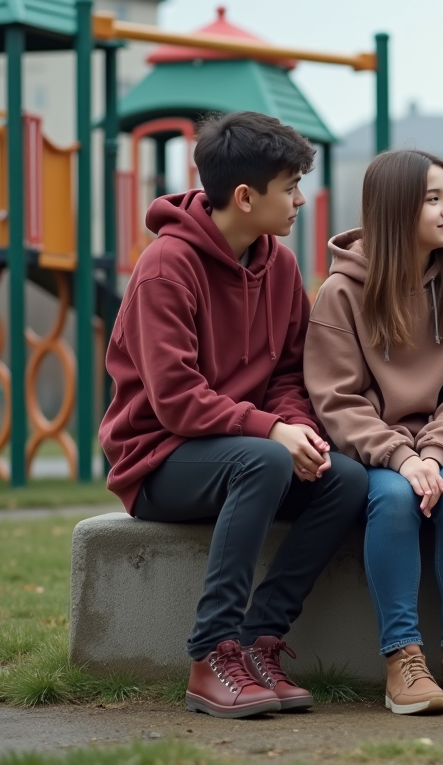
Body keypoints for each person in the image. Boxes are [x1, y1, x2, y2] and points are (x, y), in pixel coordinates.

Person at [99, 111, 368, 719]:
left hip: (245, 451)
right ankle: (209, 654)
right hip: (158, 460)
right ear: (245, 197)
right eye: (290, 187)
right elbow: (175, 398)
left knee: (346, 478)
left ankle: (257, 642)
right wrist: (271, 430)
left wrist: (294, 425)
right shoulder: (166, 268)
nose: (301, 199)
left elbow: (288, 374)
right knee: (262, 460)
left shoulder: (280, 266)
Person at [305, 150, 443, 716]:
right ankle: (403, 658)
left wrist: (434, 454)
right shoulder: (340, 294)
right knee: (392, 501)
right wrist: (399, 456)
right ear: (395, 211)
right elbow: (336, 398)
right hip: (375, 451)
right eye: (433, 200)